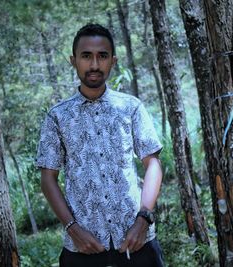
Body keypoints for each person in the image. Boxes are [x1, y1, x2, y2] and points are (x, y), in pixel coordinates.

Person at [35, 23, 164, 267]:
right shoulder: (57, 116)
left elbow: (152, 163)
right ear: (73, 61)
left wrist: (143, 219)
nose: (94, 65)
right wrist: (73, 230)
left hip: (137, 241)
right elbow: (48, 177)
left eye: (102, 56)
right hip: (83, 247)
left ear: (113, 61)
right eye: (86, 56)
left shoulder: (131, 107)